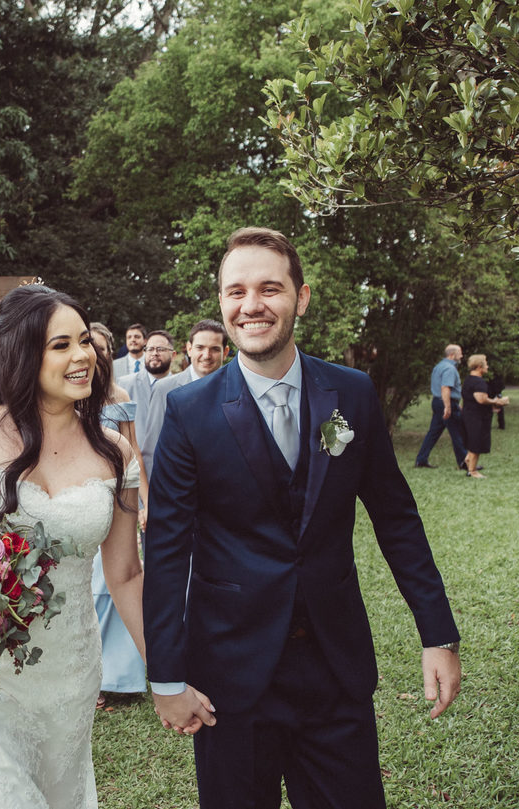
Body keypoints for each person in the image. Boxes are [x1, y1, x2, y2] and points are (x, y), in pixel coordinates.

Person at [145, 227, 461, 809]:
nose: (252, 305)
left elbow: (395, 518)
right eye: (236, 292)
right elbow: (166, 548)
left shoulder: (350, 395)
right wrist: (165, 676)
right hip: (230, 679)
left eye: (270, 288)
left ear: (302, 296)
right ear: (221, 303)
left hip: (334, 671)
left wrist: (437, 633)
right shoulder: (188, 412)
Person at [0, 284, 144, 807]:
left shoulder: (115, 454)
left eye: (85, 341)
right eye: (61, 345)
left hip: (67, 669)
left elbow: (125, 573)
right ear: (22, 354)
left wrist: (166, 671)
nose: (82, 356)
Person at [88, 322, 149, 703]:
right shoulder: (68, 398)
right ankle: (95, 674)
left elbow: (134, 453)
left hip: (120, 498)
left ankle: (123, 677)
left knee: (124, 579)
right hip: (85, 501)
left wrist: (146, 501)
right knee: (93, 588)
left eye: (100, 347)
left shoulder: (119, 395)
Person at [139, 320, 230, 480]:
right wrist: (151, 501)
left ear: (226, 351)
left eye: (214, 349)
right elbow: (152, 449)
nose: (206, 355)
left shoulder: (235, 387)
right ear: (189, 349)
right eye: (200, 348)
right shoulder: (164, 389)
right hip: (178, 488)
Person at [120, 329, 176, 477]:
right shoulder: (125, 385)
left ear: (174, 354)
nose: (154, 353)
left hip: (170, 470)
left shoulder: (183, 388)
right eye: (150, 349)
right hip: (131, 469)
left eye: (161, 349)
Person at [413, 344, 468, 470]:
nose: (462, 356)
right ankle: (464, 461)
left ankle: (421, 459)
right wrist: (448, 406)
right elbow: (445, 388)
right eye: (460, 353)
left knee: (434, 432)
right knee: (457, 432)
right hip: (445, 402)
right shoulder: (449, 369)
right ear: (452, 355)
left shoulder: (439, 366)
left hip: (437, 402)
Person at [461, 354, 508, 478]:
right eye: (485, 364)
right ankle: (472, 471)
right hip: (476, 416)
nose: (487, 366)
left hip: (470, 413)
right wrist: (498, 401)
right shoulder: (479, 382)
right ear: (479, 367)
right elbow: (481, 399)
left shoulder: (468, 380)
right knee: (476, 441)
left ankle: (468, 460)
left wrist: (491, 407)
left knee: (473, 439)